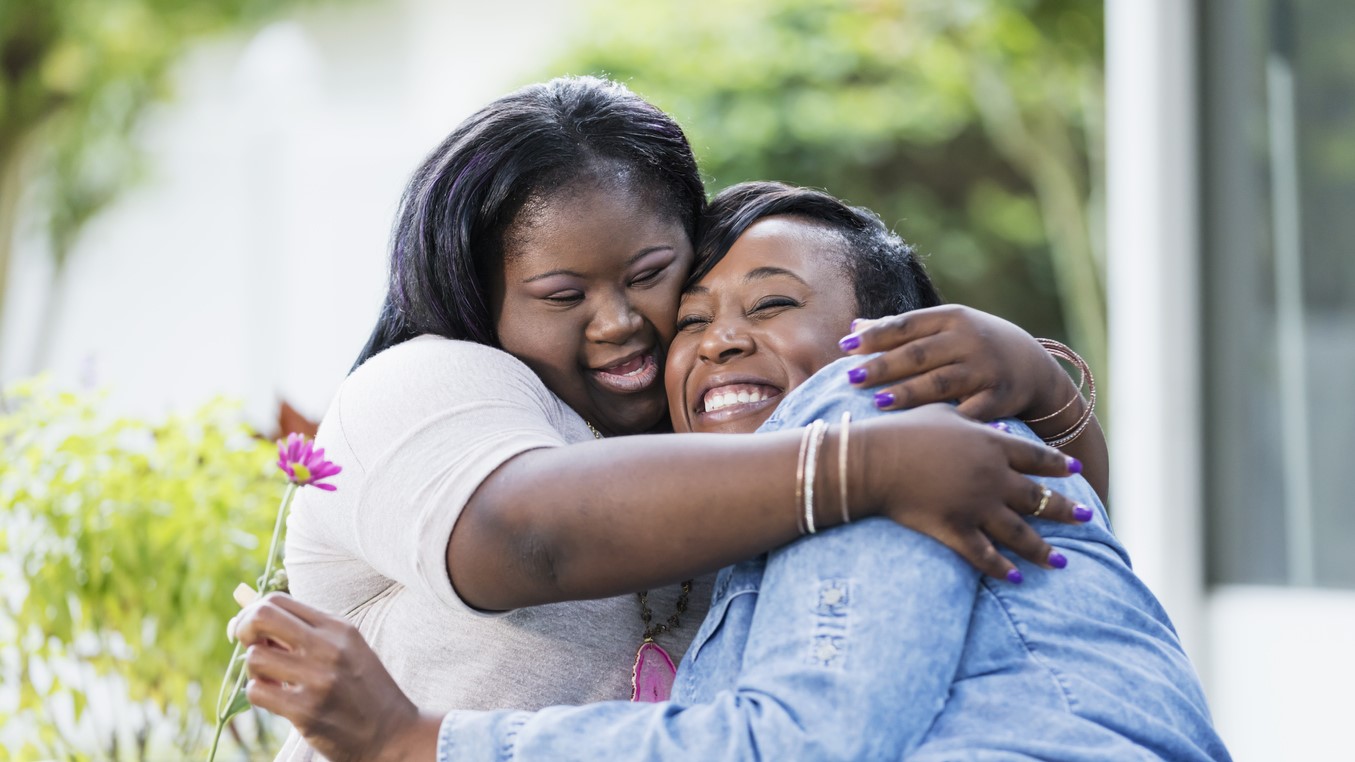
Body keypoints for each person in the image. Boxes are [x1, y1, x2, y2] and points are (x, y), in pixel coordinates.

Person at [237, 182, 1227, 760]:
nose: (716, 343)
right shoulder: (776, 516)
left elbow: (800, 743)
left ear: (888, 334)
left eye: (768, 305)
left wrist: (419, 740)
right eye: (695, 319)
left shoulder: (875, 413)